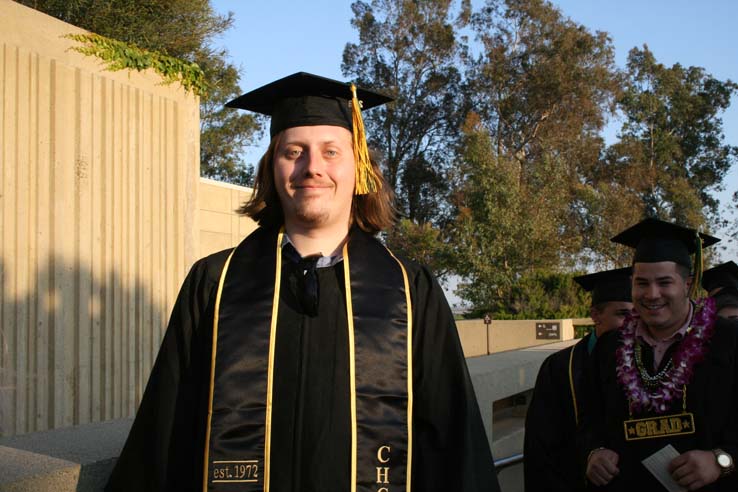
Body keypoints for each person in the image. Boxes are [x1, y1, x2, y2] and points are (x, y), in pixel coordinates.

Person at [105, 72, 500, 492]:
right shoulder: (215, 284)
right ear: (272, 168)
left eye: (331, 152)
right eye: (294, 152)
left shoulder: (409, 289)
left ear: (359, 167)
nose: (312, 167)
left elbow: (453, 443)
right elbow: (165, 432)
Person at [583, 218, 738, 491]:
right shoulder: (610, 347)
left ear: (687, 284)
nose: (652, 294)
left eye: (664, 282)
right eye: (642, 283)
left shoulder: (729, 340)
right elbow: (588, 417)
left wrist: (721, 460)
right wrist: (593, 452)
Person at [524, 267, 632, 492]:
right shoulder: (561, 367)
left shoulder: (652, 361)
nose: (632, 323)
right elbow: (541, 447)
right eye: (623, 314)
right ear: (595, 315)